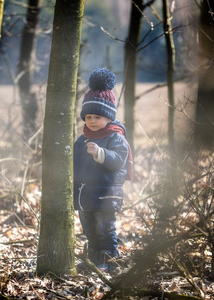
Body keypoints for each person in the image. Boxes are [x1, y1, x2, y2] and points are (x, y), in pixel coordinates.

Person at [74, 68, 131, 272]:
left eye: (97, 116)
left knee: (104, 229)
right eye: (88, 116)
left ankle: (109, 260)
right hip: (85, 195)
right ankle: (93, 259)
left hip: (106, 195)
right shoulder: (82, 139)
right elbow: (73, 164)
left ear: (108, 117)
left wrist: (100, 153)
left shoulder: (116, 137)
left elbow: (118, 161)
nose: (91, 121)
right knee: (89, 229)